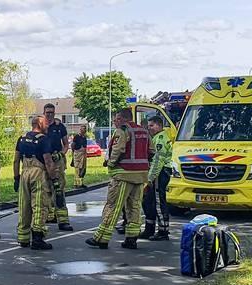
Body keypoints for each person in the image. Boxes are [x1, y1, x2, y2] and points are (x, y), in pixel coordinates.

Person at [86, 108, 154, 249]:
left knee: (113, 206)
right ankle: (131, 238)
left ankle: (101, 238)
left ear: (123, 119)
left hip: (123, 174)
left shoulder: (123, 130)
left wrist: (110, 163)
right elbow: (151, 151)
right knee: (134, 207)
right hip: (141, 175)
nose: (115, 122)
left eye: (116, 119)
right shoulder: (143, 131)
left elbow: (118, 149)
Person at [14, 115, 58, 250]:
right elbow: (48, 161)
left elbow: (16, 160)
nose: (48, 125)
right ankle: (38, 238)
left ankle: (23, 238)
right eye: (45, 123)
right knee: (39, 205)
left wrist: (16, 178)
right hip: (38, 174)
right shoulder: (44, 140)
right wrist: (54, 179)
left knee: (24, 206)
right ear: (40, 124)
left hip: (24, 173)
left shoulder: (21, 139)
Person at [140, 116, 173, 241]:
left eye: (152, 125)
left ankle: (163, 231)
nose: (149, 128)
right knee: (149, 201)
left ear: (159, 125)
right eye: (148, 126)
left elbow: (157, 161)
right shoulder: (157, 137)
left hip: (161, 172)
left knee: (159, 202)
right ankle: (149, 229)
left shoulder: (160, 139)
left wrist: (150, 179)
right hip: (159, 172)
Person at [44, 105, 73, 231]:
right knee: (45, 189)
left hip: (57, 161)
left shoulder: (59, 127)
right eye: (47, 112)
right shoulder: (41, 126)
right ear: (43, 113)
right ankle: (48, 216)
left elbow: (66, 144)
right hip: (44, 160)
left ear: (55, 112)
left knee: (59, 190)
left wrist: (61, 154)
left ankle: (63, 220)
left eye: (52, 112)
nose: (49, 114)